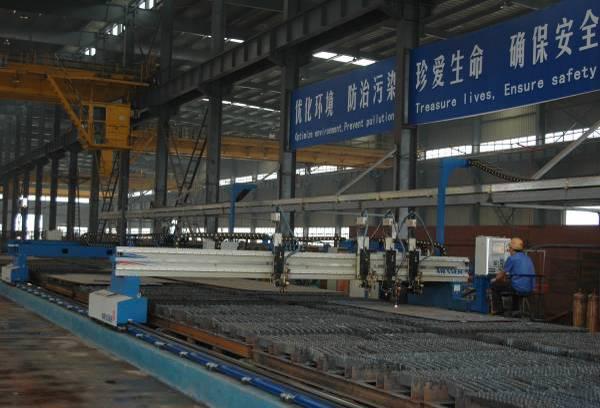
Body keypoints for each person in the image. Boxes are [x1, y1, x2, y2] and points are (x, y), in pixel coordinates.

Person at [490, 237, 535, 315]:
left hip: (517, 287)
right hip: (529, 288)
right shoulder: (528, 258)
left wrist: (495, 279)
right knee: (514, 284)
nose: (509, 251)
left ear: (512, 249)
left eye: (509, 249)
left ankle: (498, 310)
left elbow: (502, 274)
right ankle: (515, 310)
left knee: (494, 285)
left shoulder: (512, 258)